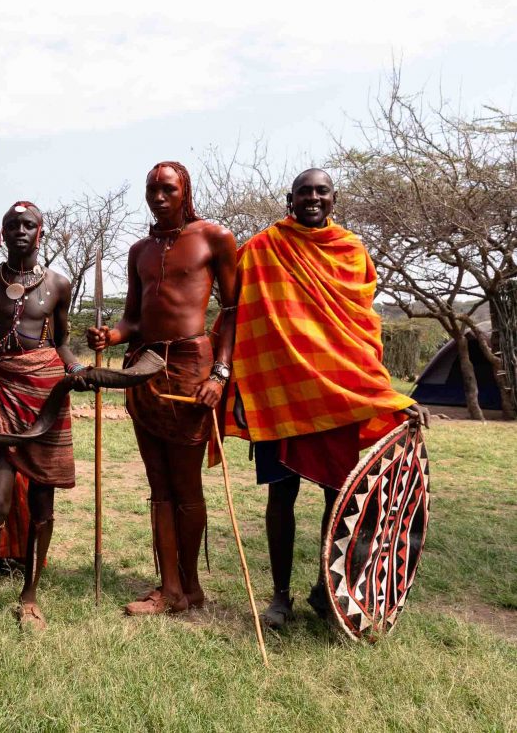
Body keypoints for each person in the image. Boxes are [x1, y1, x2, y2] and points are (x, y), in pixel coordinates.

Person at [225, 168, 423, 629]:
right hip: (278, 394)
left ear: (335, 198)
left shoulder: (352, 252)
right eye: (304, 192)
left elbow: (360, 336)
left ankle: (326, 589)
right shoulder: (260, 250)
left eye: (321, 191)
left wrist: (388, 398)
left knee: (341, 499)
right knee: (281, 495)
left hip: (337, 398)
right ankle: (279, 598)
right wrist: (236, 387)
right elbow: (243, 323)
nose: (312, 198)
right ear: (288, 198)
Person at [87, 162, 238, 616]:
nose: (158, 196)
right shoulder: (139, 250)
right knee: (159, 486)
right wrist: (111, 337)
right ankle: (170, 587)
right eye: (151, 189)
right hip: (143, 368)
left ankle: (190, 587)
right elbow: (133, 317)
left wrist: (221, 374)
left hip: (193, 366)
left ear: (184, 190)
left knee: (186, 484)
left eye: (167, 188)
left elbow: (233, 309)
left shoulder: (215, 237)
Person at [0, 201, 82, 634]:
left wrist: (76, 371)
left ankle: (29, 597)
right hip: (4, 396)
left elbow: (64, 343)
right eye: (12, 225)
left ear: (40, 232)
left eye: (28, 225)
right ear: (2, 232)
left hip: (48, 397)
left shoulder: (59, 284)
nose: (20, 231)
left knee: (42, 503)